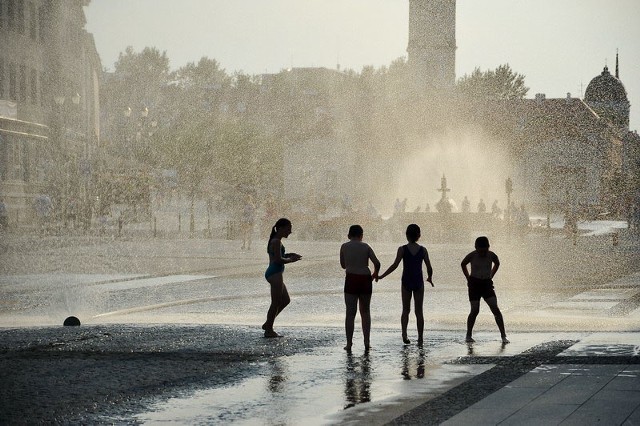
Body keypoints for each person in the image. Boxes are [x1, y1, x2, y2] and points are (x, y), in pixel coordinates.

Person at [377, 224, 434, 346]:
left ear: (406, 235)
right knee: (419, 311)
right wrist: (429, 277)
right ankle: (420, 338)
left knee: (405, 309)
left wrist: (382, 276)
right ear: (419, 235)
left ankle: (404, 334)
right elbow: (429, 267)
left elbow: (394, 265)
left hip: (406, 281)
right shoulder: (423, 250)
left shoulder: (402, 249)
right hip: (418, 281)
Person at [340, 225, 380, 352]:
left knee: (350, 313)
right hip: (365, 279)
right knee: (365, 312)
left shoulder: (344, 246)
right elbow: (377, 263)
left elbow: (343, 265)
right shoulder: (366, 246)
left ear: (349, 235)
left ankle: (349, 343)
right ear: (361, 236)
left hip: (351, 278)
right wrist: (375, 273)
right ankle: (367, 342)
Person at [461, 236, 509, 344]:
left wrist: (491, 274)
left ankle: (503, 336)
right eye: (480, 250)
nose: (483, 253)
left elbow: (497, 263)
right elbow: (463, 263)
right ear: (476, 247)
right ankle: (468, 335)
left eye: (485, 250)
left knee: (495, 309)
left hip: (486, 284)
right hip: (474, 284)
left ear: (488, 247)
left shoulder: (491, 255)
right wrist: (468, 278)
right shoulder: (472, 255)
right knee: (474, 310)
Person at [263, 218, 302, 337]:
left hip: (275, 273)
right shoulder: (276, 241)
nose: (290, 232)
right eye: (288, 229)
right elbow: (278, 259)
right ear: (281, 228)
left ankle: (268, 324)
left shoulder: (276, 241)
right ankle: (269, 330)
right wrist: (291, 260)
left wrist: (290, 255)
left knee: (285, 300)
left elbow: (279, 255)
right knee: (275, 302)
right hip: (274, 273)